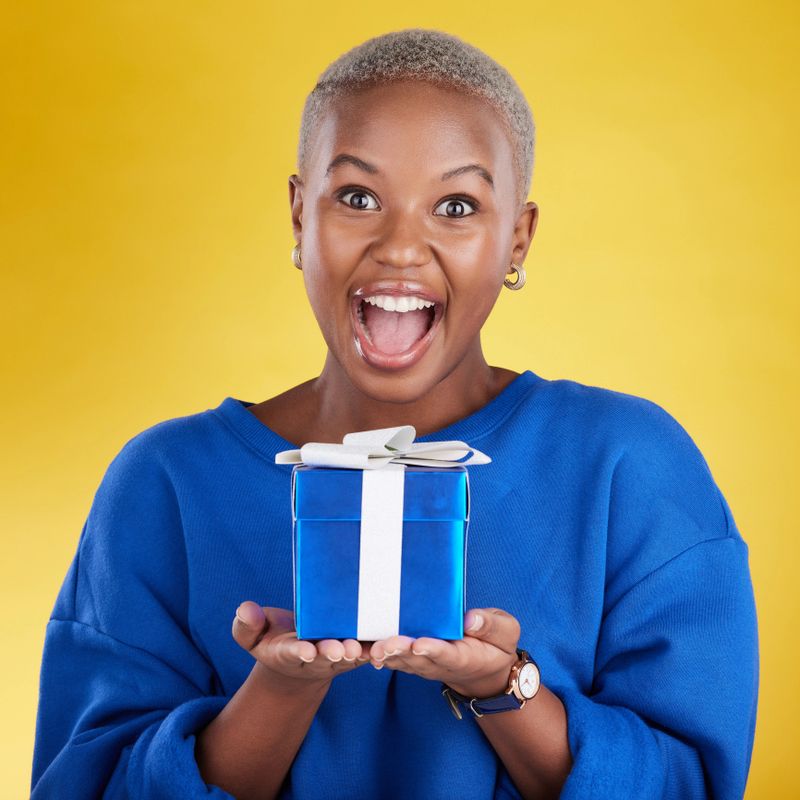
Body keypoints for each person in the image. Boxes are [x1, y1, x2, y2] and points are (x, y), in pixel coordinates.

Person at [31, 27, 759, 800]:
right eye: (357, 197)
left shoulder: (630, 466)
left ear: (517, 239)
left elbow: (690, 785)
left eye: (455, 205)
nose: (401, 246)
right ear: (298, 217)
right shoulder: (164, 484)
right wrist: (280, 690)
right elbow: (88, 783)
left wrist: (505, 689)